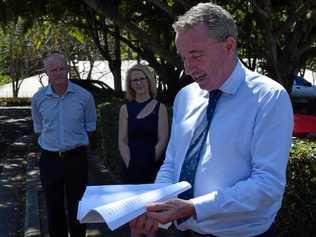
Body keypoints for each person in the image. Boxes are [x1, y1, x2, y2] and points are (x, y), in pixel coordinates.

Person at [130, 3, 293, 237]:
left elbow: (267, 185)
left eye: (195, 55)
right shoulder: (185, 96)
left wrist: (194, 208)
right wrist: (156, 209)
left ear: (229, 46)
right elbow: (172, 163)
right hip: (182, 231)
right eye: (184, 57)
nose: (188, 68)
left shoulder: (269, 98)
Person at [31, 53, 96, 237]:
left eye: (62, 68)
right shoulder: (38, 99)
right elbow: (39, 127)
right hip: (49, 160)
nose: (58, 73)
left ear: (67, 69)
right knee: (53, 209)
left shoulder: (84, 96)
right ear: (47, 73)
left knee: (78, 208)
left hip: (76, 158)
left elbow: (90, 126)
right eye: (54, 70)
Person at [118, 64, 169, 236]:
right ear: (130, 84)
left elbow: (163, 139)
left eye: (142, 79)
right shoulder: (125, 109)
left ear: (149, 81)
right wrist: (130, 163)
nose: (139, 83)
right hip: (131, 169)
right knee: (133, 220)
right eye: (134, 80)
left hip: (153, 168)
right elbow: (122, 141)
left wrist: (149, 161)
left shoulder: (159, 108)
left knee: (151, 220)